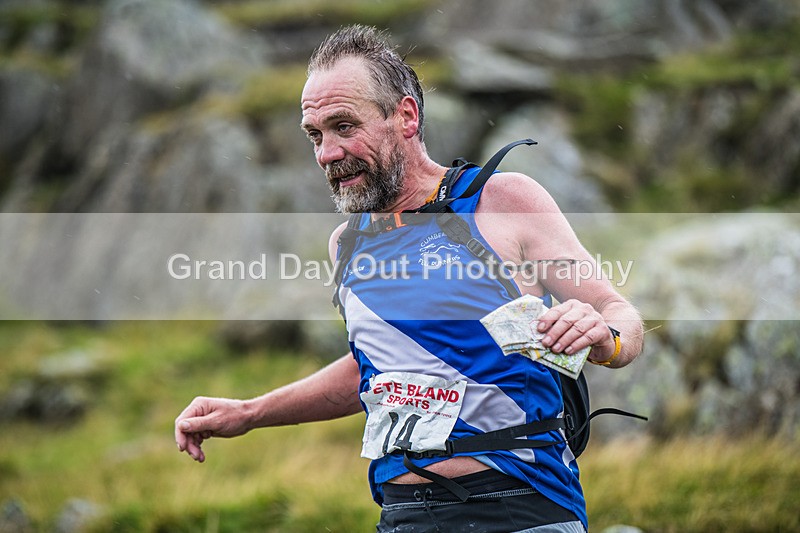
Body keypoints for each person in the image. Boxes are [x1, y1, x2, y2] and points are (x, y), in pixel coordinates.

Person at [175, 25, 644, 533]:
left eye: (344, 126)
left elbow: (621, 317)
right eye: (316, 135)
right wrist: (249, 412)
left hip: (519, 504)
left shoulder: (502, 201)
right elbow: (375, 368)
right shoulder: (348, 243)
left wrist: (605, 339)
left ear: (405, 116)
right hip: (402, 514)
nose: (327, 153)